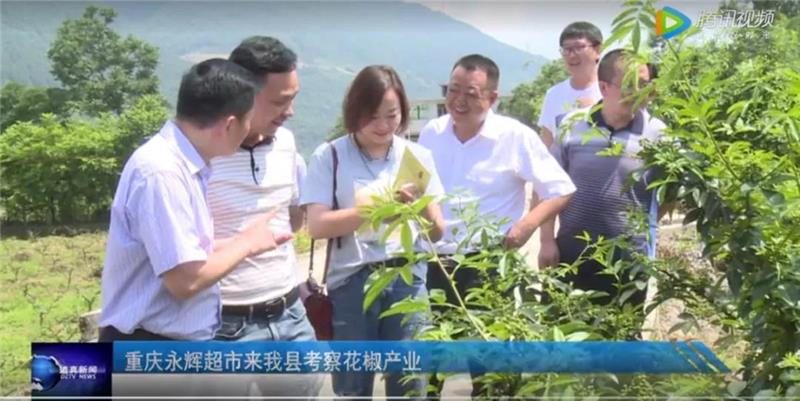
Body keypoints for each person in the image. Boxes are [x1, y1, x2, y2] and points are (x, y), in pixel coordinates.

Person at [98, 58, 293, 341]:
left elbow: (183, 251)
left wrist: (245, 240)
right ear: (229, 124)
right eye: (248, 119)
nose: (252, 128)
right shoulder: (163, 173)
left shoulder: (185, 164)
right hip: (149, 345)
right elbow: (185, 280)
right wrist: (246, 244)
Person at [417, 54, 576, 399]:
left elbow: (561, 189)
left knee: (490, 367)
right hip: (434, 261)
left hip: (488, 264)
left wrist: (527, 226)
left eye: (471, 93)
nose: (458, 101)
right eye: (453, 90)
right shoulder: (432, 133)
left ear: (492, 98)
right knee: (429, 365)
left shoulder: (514, 136)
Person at [301, 65, 446, 401]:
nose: (383, 126)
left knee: (411, 383)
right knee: (352, 387)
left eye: (392, 115)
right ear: (354, 112)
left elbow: (437, 232)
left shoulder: (417, 156)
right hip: (352, 282)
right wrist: (379, 208)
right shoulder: (331, 156)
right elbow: (317, 225)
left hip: (408, 278)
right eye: (372, 116)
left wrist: (421, 205)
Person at [205, 36, 321, 399]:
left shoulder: (286, 144)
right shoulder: (202, 153)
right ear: (242, 94)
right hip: (224, 326)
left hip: (290, 315)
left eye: (293, 98)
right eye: (280, 101)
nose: (290, 111)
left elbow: (293, 218)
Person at [546, 49, 666, 307]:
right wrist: (546, 241)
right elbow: (549, 186)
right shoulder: (571, 124)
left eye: (646, 85)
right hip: (571, 255)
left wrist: (641, 229)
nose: (642, 93)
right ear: (604, 87)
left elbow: (670, 193)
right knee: (562, 327)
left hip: (629, 263)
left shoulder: (658, 134)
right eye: (632, 85)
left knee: (622, 330)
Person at [537, 21, 604, 270]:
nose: (571, 55)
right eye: (566, 49)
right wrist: (545, 239)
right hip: (568, 207)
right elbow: (544, 164)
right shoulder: (554, 95)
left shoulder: (611, 91)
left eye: (578, 48)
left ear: (597, 50)